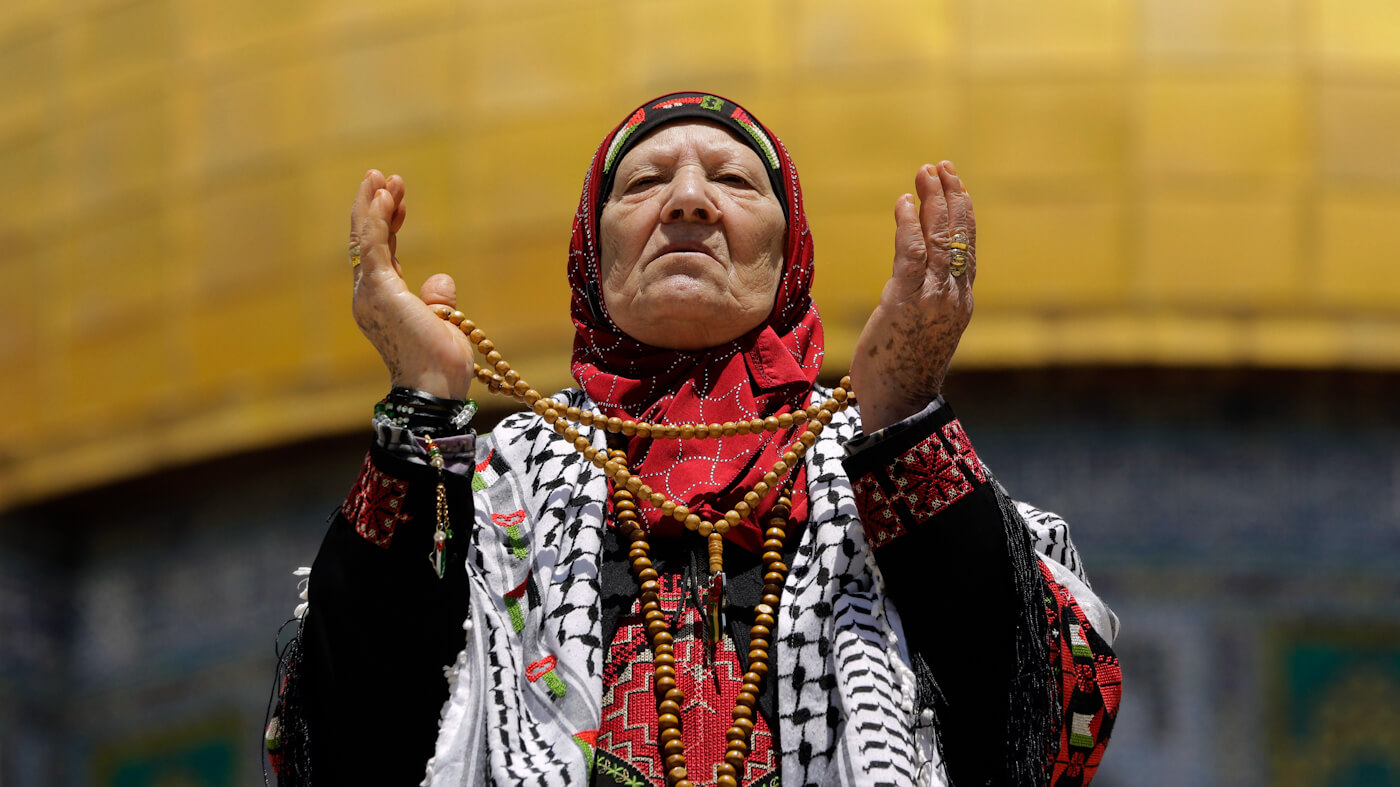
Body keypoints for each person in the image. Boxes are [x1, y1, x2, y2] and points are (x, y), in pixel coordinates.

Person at [266, 92, 1121, 787]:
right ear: (590, 257)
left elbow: (1038, 720)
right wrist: (423, 408)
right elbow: (350, 736)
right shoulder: (498, 487)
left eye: (734, 182)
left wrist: (900, 410)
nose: (687, 200)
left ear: (790, 255)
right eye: (642, 185)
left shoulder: (867, 465)